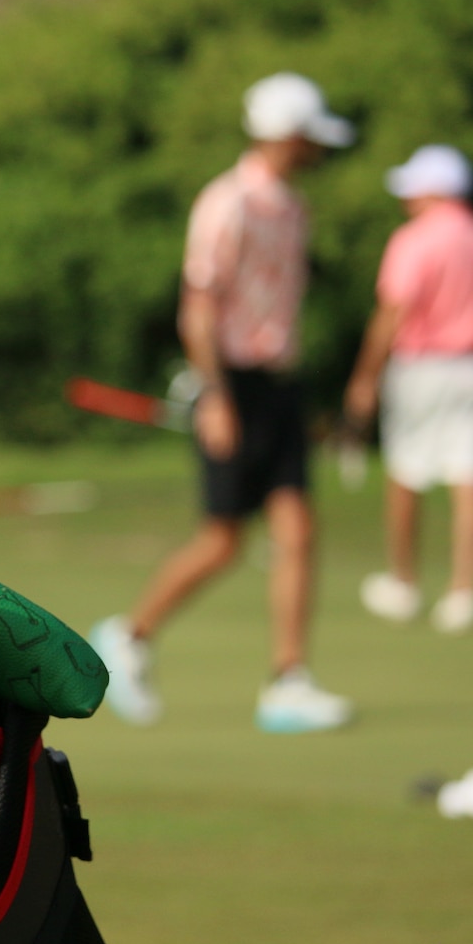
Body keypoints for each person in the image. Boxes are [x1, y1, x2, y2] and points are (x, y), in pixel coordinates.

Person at [91, 72, 354, 733]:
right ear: (287, 138)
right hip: (232, 384)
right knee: (223, 540)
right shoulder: (226, 204)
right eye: (310, 138)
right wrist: (215, 397)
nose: (318, 151)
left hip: (280, 385)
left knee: (298, 528)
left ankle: (288, 680)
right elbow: (199, 312)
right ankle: (130, 636)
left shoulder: (293, 208)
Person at [343, 145, 473, 634]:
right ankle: (464, 591)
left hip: (422, 366)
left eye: (415, 189)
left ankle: (405, 582)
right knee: (469, 473)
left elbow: (393, 311)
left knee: (406, 471)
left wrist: (364, 379)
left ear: (436, 190)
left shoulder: (415, 239)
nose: (407, 199)